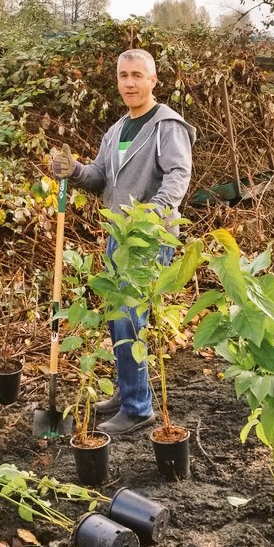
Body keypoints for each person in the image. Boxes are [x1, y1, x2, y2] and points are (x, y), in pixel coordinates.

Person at [50, 48, 196, 437]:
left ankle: (137, 409)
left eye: (137, 75)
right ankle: (129, 389)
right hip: (118, 235)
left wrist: (150, 214)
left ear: (153, 81)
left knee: (129, 317)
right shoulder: (117, 130)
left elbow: (178, 175)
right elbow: (100, 177)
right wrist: (75, 170)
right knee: (118, 319)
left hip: (148, 238)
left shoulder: (167, 125)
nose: (129, 83)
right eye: (123, 76)